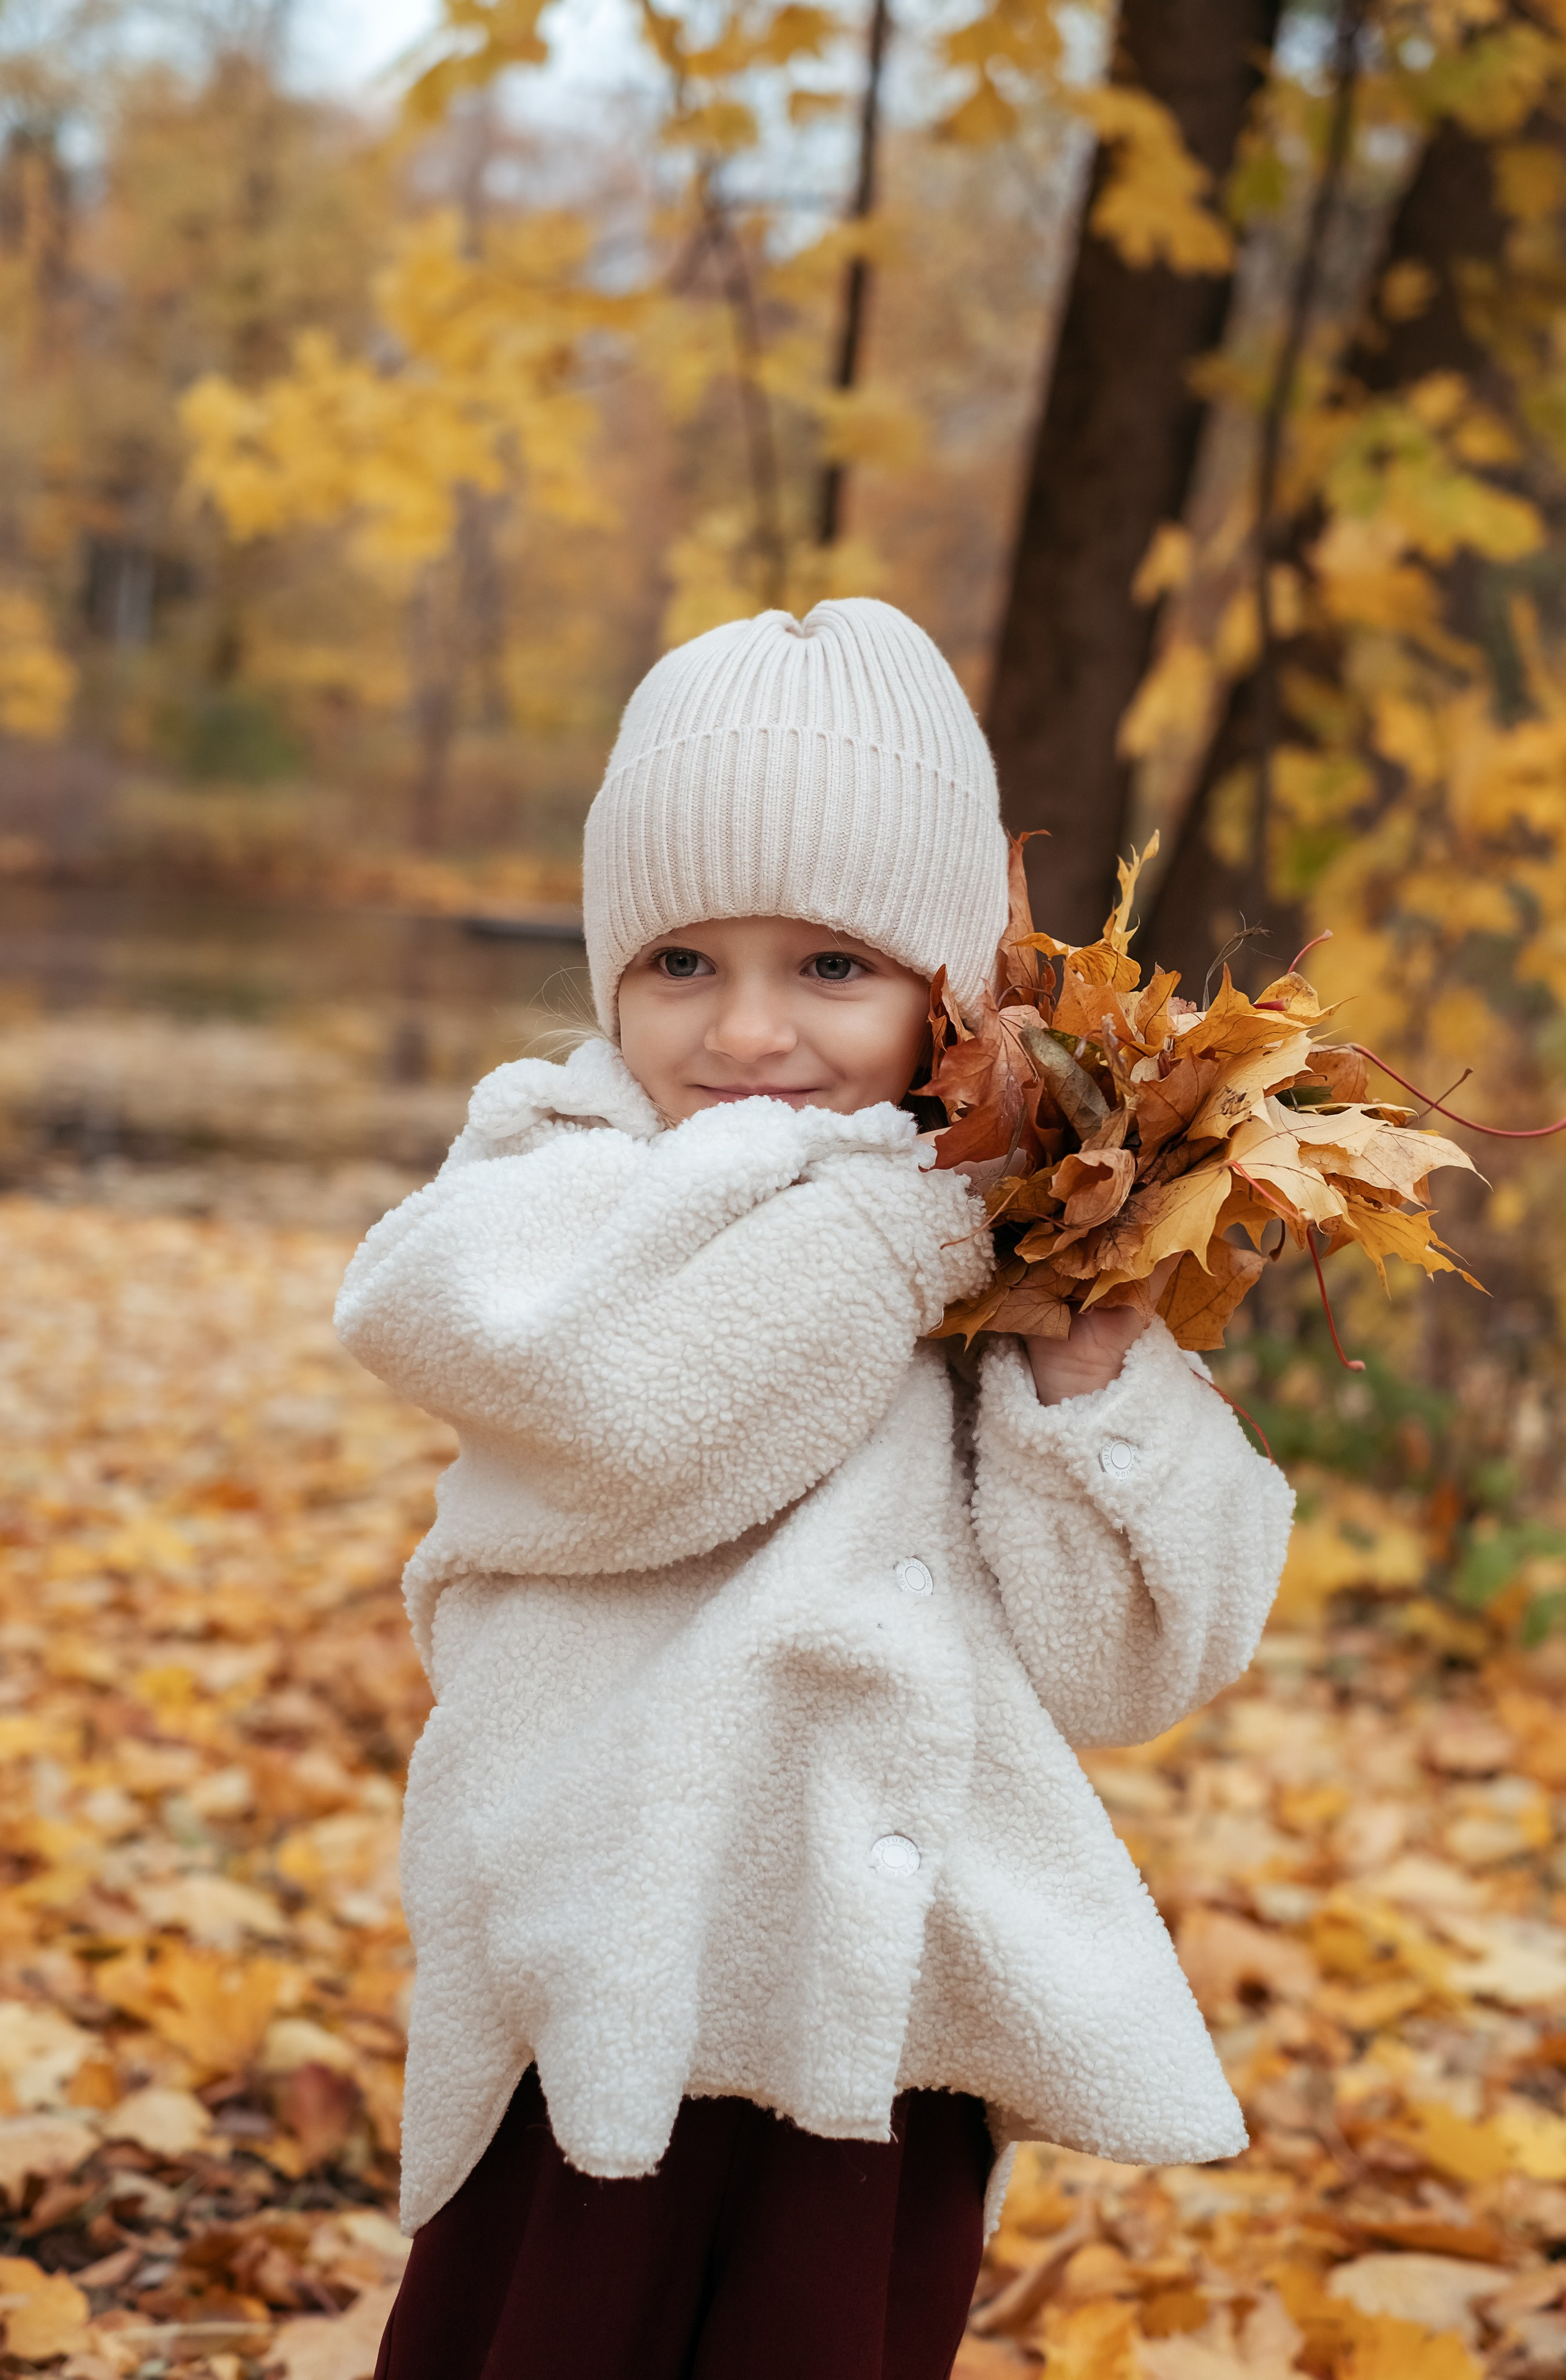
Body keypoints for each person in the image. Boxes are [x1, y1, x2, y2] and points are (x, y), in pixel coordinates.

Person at [336, 599, 1295, 2380]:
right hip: (610, 1971)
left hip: (877, 1999)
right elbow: (631, 1415)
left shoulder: (1003, 1254)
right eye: (682, 963)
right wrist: (913, 1226)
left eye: (832, 967)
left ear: (952, 990)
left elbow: (1133, 1665)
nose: (749, 1030)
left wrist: (1088, 1381)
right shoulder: (554, 1189)